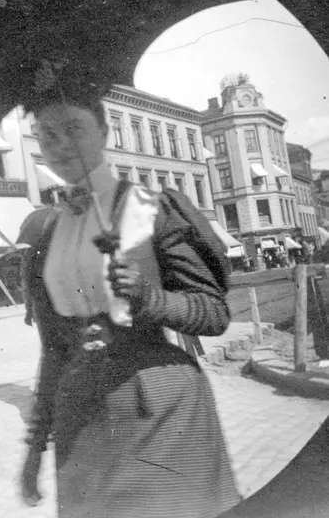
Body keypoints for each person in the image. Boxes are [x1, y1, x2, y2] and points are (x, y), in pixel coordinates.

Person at [18, 69, 241, 518]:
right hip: (82, 416)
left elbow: (214, 313)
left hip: (160, 405)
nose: (60, 145)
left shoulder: (153, 210)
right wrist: (36, 445)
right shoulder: (45, 232)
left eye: (74, 128)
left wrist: (148, 298)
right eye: (47, 134)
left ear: (104, 131)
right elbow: (54, 348)